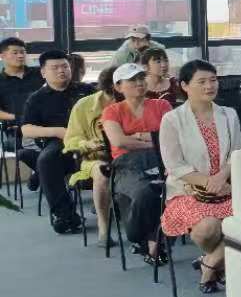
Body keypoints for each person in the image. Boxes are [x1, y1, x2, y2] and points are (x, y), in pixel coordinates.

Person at [159, 59, 241, 290]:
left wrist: (222, 178)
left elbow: (236, 153)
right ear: (185, 86)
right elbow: (174, 165)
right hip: (188, 190)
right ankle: (224, 261)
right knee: (207, 229)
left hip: (228, 185)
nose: (209, 86)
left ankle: (210, 263)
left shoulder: (229, 114)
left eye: (213, 80)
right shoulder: (172, 119)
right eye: (202, 81)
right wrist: (209, 183)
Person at [101, 62, 171, 249]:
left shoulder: (162, 105)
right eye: (132, 80)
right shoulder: (112, 111)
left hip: (161, 159)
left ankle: (152, 241)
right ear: (118, 87)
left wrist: (136, 136)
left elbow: (171, 137)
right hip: (126, 164)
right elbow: (119, 141)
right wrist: (154, 139)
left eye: (141, 78)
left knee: (164, 188)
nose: (139, 83)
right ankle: (143, 238)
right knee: (145, 191)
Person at [19, 50, 87, 233]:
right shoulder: (37, 98)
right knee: (46, 160)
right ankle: (65, 214)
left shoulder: (87, 91)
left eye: (65, 66)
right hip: (59, 143)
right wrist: (57, 131)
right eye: (55, 67)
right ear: (43, 72)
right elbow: (26, 129)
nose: (61, 71)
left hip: (90, 138)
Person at [62, 66, 119, 239]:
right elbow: (70, 140)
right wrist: (87, 144)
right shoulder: (84, 105)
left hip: (129, 155)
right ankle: (103, 225)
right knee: (102, 172)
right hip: (96, 158)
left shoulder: (137, 102)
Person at [0, 35, 41, 124]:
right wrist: (18, 117)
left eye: (23, 52)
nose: (20, 56)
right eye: (15, 53)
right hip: (14, 127)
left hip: (44, 124)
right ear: (2, 56)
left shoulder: (40, 73)